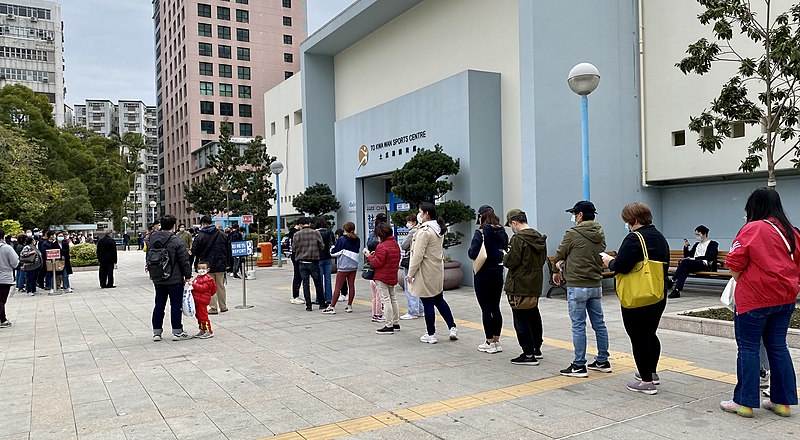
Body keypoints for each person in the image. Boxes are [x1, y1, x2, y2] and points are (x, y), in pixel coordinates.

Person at [718, 188, 799, 418]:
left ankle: (744, 402)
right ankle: (782, 403)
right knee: (778, 346)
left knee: (748, 347)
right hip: (785, 298)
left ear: (754, 206)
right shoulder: (791, 231)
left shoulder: (752, 228)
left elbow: (734, 263)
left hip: (755, 299)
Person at [602, 202, 669, 395]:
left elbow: (621, 265)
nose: (627, 224)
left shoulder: (634, 238)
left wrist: (609, 261)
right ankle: (652, 373)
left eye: (627, 221)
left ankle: (645, 381)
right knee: (650, 333)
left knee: (638, 336)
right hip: (657, 293)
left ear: (635, 220)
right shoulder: (659, 236)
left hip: (637, 296)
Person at [554, 201, 611, 377]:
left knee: (578, 325)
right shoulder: (600, 233)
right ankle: (603, 360)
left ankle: (579, 365)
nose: (573, 217)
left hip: (577, 284)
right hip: (595, 284)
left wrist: (561, 264)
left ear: (579, 215)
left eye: (574, 214)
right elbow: (600, 251)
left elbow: (560, 254)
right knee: (599, 324)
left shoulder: (572, 233)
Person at [407, 202, 458, 344]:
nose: (419, 215)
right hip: (436, 268)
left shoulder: (424, 231)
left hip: (425, 271)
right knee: (439, 300)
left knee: (427, 302)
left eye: (420, 212)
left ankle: (431, 334)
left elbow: (417, 255)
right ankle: (452, 327)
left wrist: (410, 273)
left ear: (426, 214)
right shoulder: (439, 228)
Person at [503, 209, 547, 365]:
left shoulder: (517, 239)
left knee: (520, 317)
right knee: (534, 315)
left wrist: (505, 255)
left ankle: (528, 354)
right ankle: (536, 348)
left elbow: (511, 262)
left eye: (510, 225)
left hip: (519, 284)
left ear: (514, 223)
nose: (511, 228)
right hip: (535, 283)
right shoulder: (540, 238)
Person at [468, 205, 509, 354]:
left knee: (485, 308)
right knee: (495, 307)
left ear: (481, 216)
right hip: (498, 272)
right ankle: (497, 341)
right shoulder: (502, 231)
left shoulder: (481, 232)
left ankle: (489, 341)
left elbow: (472, 253)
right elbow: (505, 246)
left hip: (482, 273)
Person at [149, 215, 194, 341]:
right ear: (173, 226)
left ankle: (157, 332)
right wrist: (188, 276)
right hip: (174, 278)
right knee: (175, 305)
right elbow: (184, 260)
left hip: (158, 276)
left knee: (159, 304)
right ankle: (177, 331)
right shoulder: (176, 240)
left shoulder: (153, 238)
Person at [366, 222, 402, 334]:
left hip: (382, 276)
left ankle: (388, 325)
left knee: (386, 300)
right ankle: (396, 323)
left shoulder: (381, 246)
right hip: (392, 275)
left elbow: (377, 263)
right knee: (393, 299)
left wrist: (369, 257)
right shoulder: (395, 244)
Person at [192, 216, 231, 314]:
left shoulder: (200, 236)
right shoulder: (222, 235)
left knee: (209, 286)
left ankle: (213, 307)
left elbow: (195, 251)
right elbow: (228, 250)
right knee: (220, 286)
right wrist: (227, 263)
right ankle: (223, 306)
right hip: (221, 263)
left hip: (207, 265)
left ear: (203, 224)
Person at [668, 225, 719, 298]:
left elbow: (711, 256)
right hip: (694, 264)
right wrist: (686, 247)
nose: (697, 236)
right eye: (696, 235)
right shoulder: (697, 244)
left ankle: (673, 279)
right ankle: (676, 290)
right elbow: (687, 255)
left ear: (704, 234)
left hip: (704, 264)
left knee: (685, 262)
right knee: (685, 269)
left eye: (698, 234)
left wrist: (696, 258)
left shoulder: (713, 244)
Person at [324, 222, 360, 314]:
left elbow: (334, 253)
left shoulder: (342, 239)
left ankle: (332, 307)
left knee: (338, 287)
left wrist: (332, 248)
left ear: (345, 229)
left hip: (343, 266)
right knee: (351, 285)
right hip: (353, 265)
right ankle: (349, 305)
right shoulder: (357, 239)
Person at [292, 217, 326, 311]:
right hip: (314, 262)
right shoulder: (316, 233)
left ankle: (308, 306)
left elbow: (294, 249)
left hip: (302, 262)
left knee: (305, 284)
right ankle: (322, 303)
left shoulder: (296, 235)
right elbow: (322, 246)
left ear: (301, 225)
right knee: (317, 283)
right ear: (309, 224)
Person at [400, 214, 423, 320]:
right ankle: (421, 310)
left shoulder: (413, 232)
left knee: (409, 286)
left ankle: (413, 311)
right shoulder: (422, 230)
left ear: (413, 222)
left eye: (409, 222)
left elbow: (404, 245)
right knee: (418, 285)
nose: (407, 224)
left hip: (410, 261)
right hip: (419, 262)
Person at [368, 213, 388, 322]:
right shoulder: (384, 236)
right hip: (380, 270)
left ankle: (375, 314)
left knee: (374, 295)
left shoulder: (372, 234)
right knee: (380, 294)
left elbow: (369, 244)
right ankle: (380, 314)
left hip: (372, 267)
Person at [191, 261, 217, 339]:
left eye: (203, 268)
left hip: (202, 301)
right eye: (199, 268)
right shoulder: (197, 278)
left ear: (207, 269)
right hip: (197, 300)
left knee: (203, 316)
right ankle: (202, 329)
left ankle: (209, 330)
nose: (201, 270)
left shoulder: (209, 279)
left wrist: (193, 285)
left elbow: (203, 288)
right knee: (198, 316)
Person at [0, 230, 20, 328]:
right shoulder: (7, 248)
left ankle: (3, 319)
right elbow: (15, 262)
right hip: (4, 278)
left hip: (4, 277)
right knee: (1, 300)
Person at [316, 217, 335, 305]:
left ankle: (319, 298)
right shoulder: (330, 232)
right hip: (328, 257)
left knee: (319, 279)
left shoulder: (316, 233)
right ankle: (329, 298)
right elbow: (333, 244)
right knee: (328, 279)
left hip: (318, 258)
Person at [287, 224, 305, 304]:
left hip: (294, 256)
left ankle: (295, 295)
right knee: (298, 276)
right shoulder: (295, 234)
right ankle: (295, 296)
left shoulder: (292, 233)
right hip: (296, 257)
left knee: (298, 276)